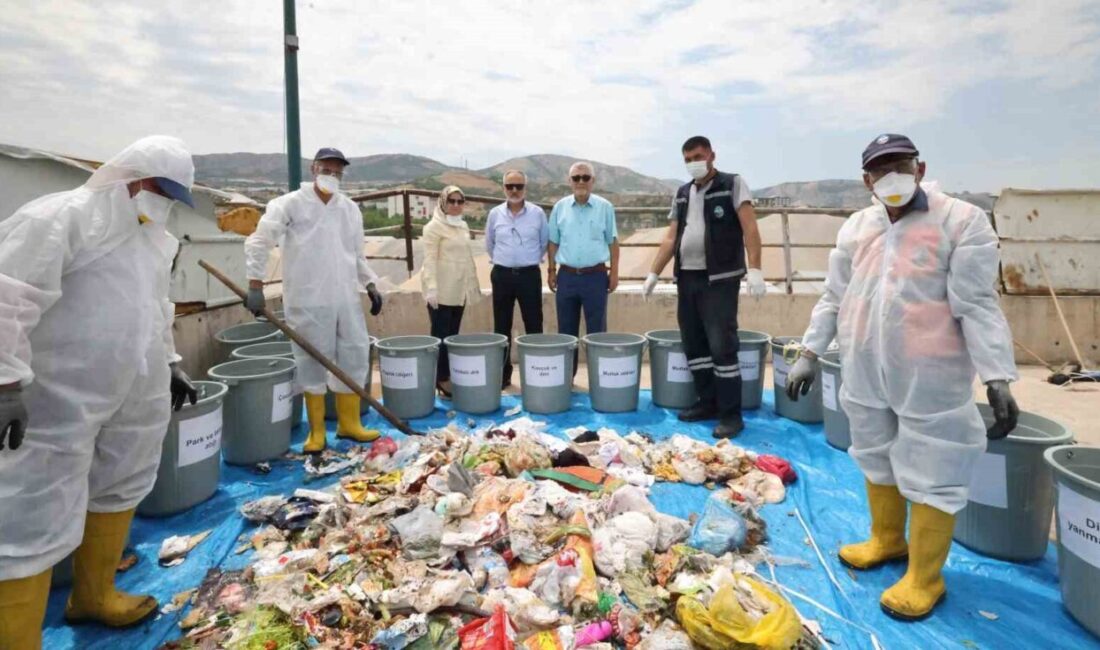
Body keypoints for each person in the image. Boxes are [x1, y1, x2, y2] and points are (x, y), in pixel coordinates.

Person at [785, 133, 1019, 621]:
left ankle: (926, 577)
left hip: (931, 373)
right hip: (865, 365)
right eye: (881, 169)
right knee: (873, 450)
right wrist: (810, 350)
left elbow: (977, 304)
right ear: (866, 180)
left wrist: (997, 375)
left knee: (934, 466)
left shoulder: (960, 220)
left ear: (920, 166)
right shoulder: (857, 227)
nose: (893, 177)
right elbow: (834, 296)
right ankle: (888, 540)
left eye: (901, 165)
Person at [0, 135, 200, 647]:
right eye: (159, 188)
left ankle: (92, 594)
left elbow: (157, 311)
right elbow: (7, 298)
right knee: (29, 513)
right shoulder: (60, 219)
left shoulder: (155, 238)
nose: (164, 202)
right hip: (55, 400)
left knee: (122, 482)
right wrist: (3, 381)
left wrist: (172, 364)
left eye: (172, 195)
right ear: (129, 176)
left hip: (133, 392)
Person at [244, 147, 384, 454]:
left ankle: (349, 424)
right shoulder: (290, 205)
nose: (332, 176)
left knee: (354, 355)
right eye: (327, 169)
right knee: (311, 362)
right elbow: (259, 240)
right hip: (308, 299)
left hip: (345, 298)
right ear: (313, 169)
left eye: (337, 171)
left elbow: (356, 255)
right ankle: (317, 431)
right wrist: (255, 283)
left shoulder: (348, 209)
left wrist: (370, 283)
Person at [642, 136, 765, 438]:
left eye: (698, 155)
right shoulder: (682, 193)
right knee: (694, 344)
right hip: (687, 278)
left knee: (722, 346)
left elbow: (750, 228)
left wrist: (757, 269)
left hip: (720, 280)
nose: (693, 162)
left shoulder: (732, 184)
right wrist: (654, 273)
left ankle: (730, 414)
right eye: (687, 158)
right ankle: (707, 402)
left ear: (711, 155)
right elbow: (672, 237)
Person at [547, 162, 619, 377]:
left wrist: (614, 273)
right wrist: (551, 270)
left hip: (595, 277)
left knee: (597, 332)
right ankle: (566, 379)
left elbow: (613, 242)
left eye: (585, 177)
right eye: (576, 178)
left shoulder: (605, 207)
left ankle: (599, 378)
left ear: (593, 181)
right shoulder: (559, 207)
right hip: (566, 276)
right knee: (566, 334)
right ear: (569, 181)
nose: (580, 181)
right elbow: (552, 242)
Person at [485, 170, 548, 388]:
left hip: (529, 275)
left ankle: (537, 375)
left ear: (525, 188)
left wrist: (525, 261)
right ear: (503, 187)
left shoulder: (538, 214)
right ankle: (503, 376)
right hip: (501, 275)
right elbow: (489, 244)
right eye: (509, 186)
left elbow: (543, 243)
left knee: (534, 325)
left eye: (518, 186)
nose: (514, 190)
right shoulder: (494, 214)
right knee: (501, 326)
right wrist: (506, 261)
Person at [421, 185, 481, 397]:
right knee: (440, 336)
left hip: (458, 290)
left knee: (452, 335)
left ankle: (447, 375)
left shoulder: (462, 226)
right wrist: (431, 288)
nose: (455, 205)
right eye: (451, 201)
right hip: (441, 291)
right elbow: (428, 259)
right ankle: (440, 378)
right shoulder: (433, 228)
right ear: (442, 203)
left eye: (459, 201)